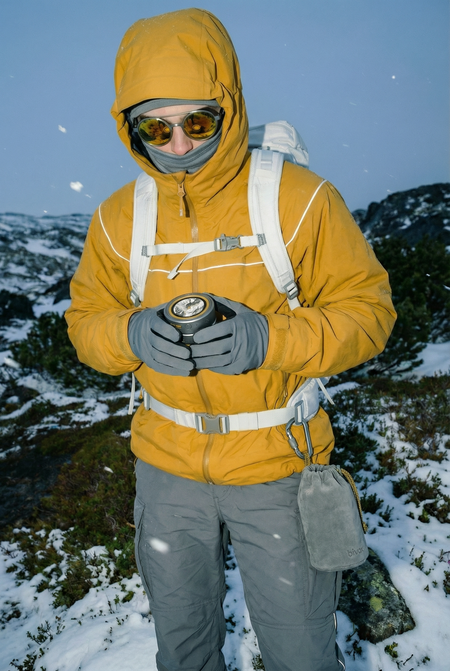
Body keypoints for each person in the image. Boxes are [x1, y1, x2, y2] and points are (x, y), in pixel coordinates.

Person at [66, 8, 396, 671]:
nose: (177, 145)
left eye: (198, 122)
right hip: (166, 470)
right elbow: (85, 323)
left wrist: (268, 339)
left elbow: (370, 313)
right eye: (155, 127)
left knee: (300, 651)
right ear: (130, 127)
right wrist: (130, 332)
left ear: (229, 108)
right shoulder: (118, 218)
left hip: (278, 464)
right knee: (184, 648)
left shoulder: (299, 199)